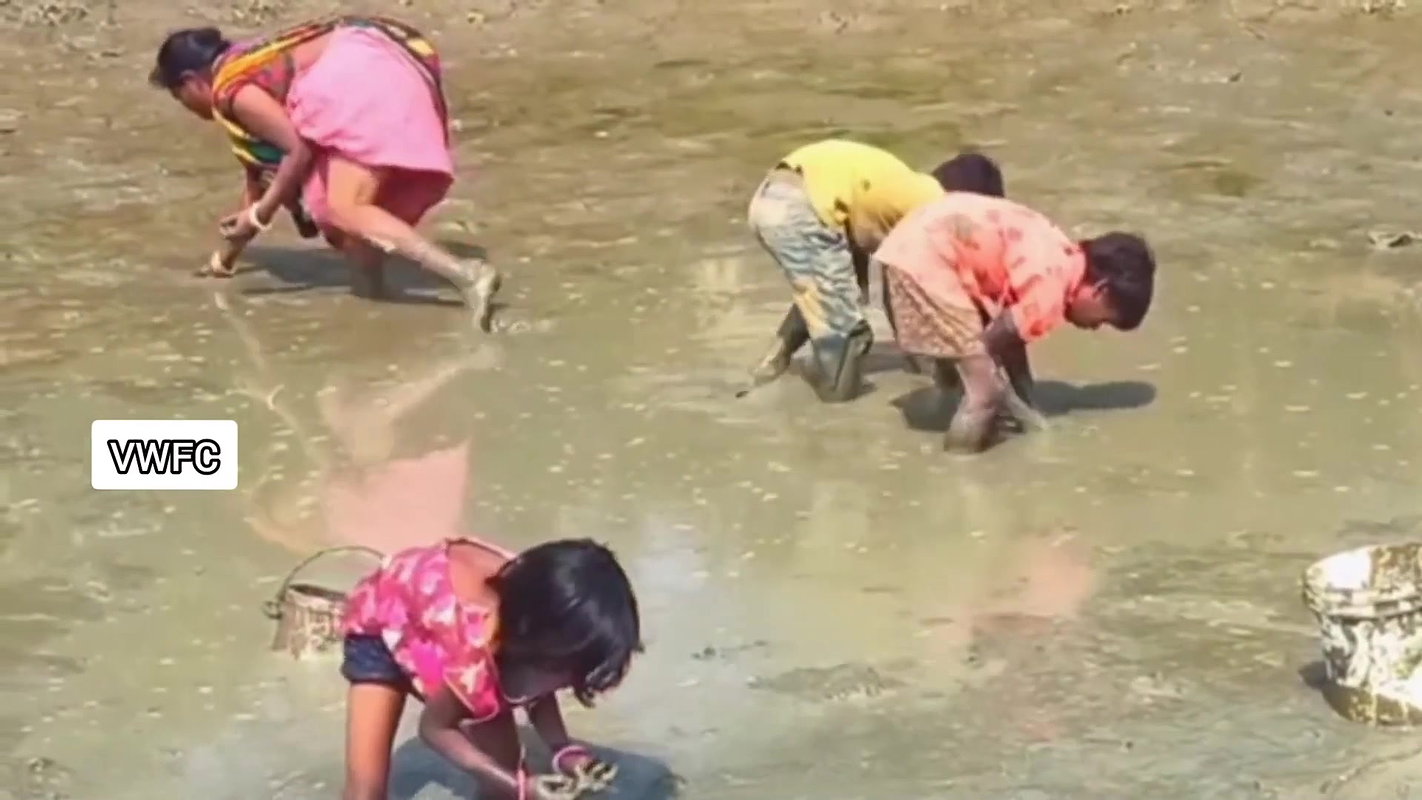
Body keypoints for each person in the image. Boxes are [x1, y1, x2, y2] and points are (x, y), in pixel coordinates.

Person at [149, 16, 501, 330]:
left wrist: (260, 214)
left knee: (344, 207)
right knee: (347, 224)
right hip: (380, 62)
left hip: (361, 75)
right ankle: (374, 304)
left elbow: (297, 150)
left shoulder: (233, 91)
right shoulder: (245, 67)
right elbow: (256, 183)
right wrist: (224, 261)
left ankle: (465, 275)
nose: (190, 109)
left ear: (191, 82)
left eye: (180, 98)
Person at [340, 537, 641, 800]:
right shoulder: (474, 653)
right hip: (382, 618)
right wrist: (517, 788)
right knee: (366, 790)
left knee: (506, 768)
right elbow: (434, 729)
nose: (567, 682)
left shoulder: (539, 600)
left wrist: (564, 750)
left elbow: (539, 691)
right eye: (566, 669)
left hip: (439, 620)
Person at [872, 192, 1154, 453]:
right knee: (984, 394)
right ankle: (959, 477)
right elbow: (995, 341)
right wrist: (1007, 399)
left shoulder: (1058, 252)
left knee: (967, 366)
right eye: (1103, 320)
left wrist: (1027, 404)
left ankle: (946, 403)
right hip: (927, 261)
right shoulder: (1051, 292)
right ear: (1100, 290)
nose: (1093, 328)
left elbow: (1013, 339)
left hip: (912, 242)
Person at [745, 138, 1005, 401]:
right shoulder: (935, 207)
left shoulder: (907, 190)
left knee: (830, 293)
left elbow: (891, 280)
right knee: (848, 336)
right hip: (801, 208)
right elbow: (906, 289)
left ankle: (773, 362)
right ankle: (826, 387)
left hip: (774, 198)